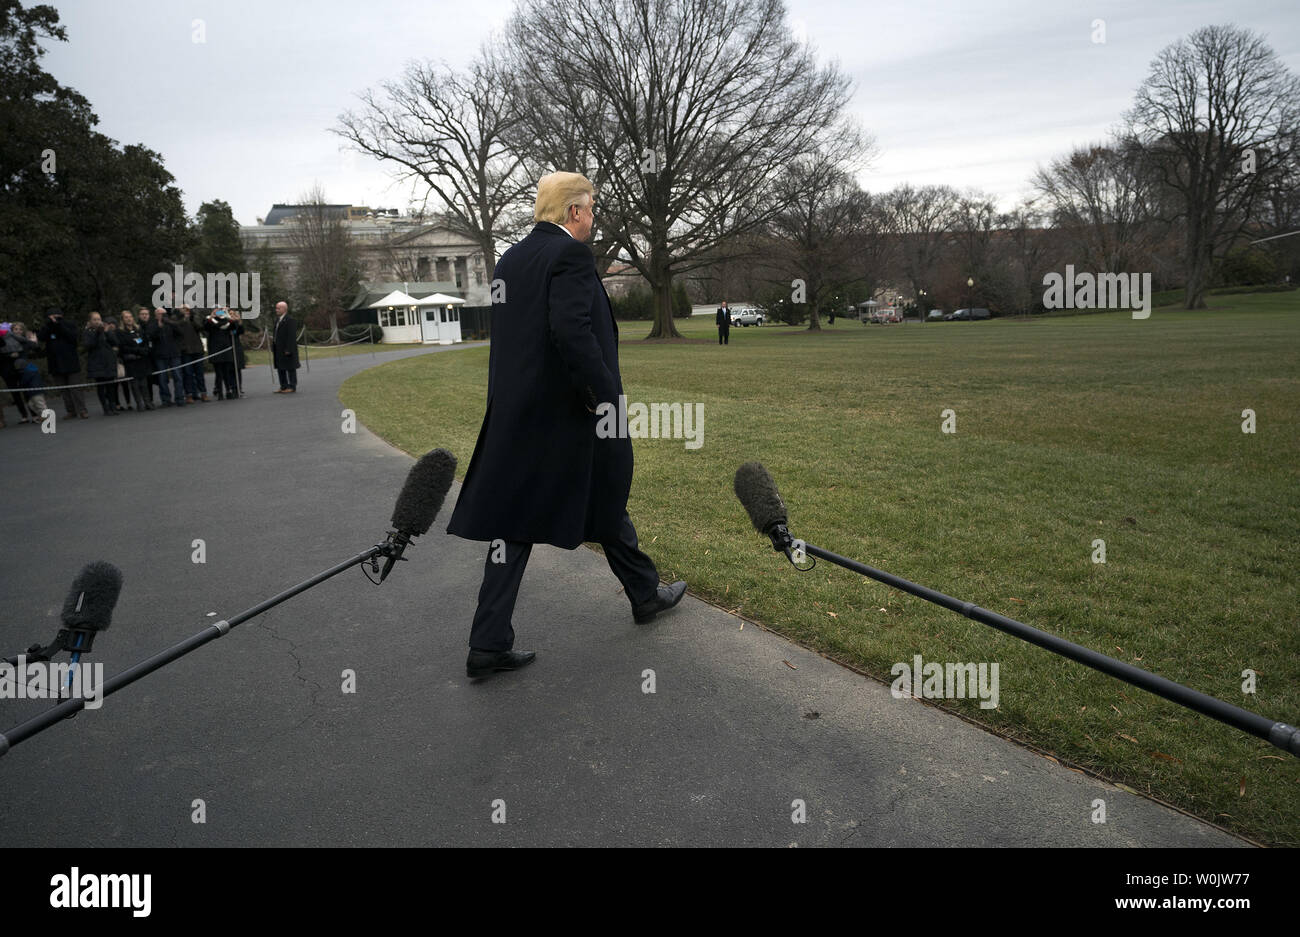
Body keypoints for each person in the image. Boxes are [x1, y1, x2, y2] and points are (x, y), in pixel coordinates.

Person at [447, 171, 687, 680]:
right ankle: (642, 594)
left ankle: (492, 640)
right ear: (574, 212)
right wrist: (607, 401)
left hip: (518, 416)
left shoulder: (510, 260)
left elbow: (516, 342)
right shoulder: (571, 256)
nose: (594, 217)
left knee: (520, 522)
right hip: (570, 417)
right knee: (600, 495)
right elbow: (572, 333)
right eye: (591, 207)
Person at [37, 307, 88, 419]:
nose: (54, 319)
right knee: (63, 390)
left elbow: (73, 337)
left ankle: (82, 410)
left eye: (56, 316)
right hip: (55, 364)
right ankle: (71, 411)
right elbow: (41, 337)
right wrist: (49, 325)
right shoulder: (47, 327)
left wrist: (58, 325)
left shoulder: (69, 324)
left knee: (76, 388)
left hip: (71, 362)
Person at [1, 322, 45, 425]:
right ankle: (24, 415)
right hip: (8, 371)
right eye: (15, 329)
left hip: (23, 371)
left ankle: (34, 415)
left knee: (28, 393)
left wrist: (34, 342)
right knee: (15, 394)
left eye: (20, 329)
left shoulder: (24, 341)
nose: (18, 331)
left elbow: (37, 349)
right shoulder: (5, 341)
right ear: (11, 331)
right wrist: (10, 356)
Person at [83, 311, 121, 416]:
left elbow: (115, 342)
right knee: (101, 386)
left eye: (99, 319)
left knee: (111, 386)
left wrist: (108, 332)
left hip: (108, 362)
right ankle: (105, 407)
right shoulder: (88, 332)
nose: (97, 321)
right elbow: (89, 346)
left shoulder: (106, 331)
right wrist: (97, 333)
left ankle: (113, 406)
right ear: (90, 321)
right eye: (94, 319)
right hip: (97, 363)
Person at [146, 307, 185, 407]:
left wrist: (170, 323)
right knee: (162, 378)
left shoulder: (171, 322)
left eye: (164, 314)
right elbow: (149, 337)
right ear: (156, 315)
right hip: (160, 355)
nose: (162, 316)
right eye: (160, 314)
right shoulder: (152, 324)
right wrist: (158, 327)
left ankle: (180, 398)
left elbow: (181, 333)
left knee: (178, 377)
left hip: (174, 353)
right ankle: (166, 399)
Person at [118, 309, 153, 411]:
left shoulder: (138, 330)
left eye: (130, 317)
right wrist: (137, 349)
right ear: (122, 320)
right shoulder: (120, 332)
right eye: (126, 317)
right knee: (135, 383)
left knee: (144, 382)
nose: (129, 319)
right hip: (131, 361)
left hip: (141, 360)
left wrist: (142, 350)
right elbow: (124, 347)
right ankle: (139, 403)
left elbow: (143, 342)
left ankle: (148, 402)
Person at [203, 306, 239, 399]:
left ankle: (228, 391)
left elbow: (234, 327)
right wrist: (212, 316)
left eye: (220, 310)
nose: (219, 311)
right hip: (215, 350)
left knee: (226, 372)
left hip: (225, 349)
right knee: (218, 373)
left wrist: (229, 315)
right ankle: (220, 392)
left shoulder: (226, 320)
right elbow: (206, 327)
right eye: (217, 310)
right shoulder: (209, 320)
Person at [176, 305, 210, 403]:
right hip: (186, 351)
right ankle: (189, 395)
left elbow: (200, 328)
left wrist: (192, 317)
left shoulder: (193, 320)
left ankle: (203, 393)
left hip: (197, 350)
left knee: (199, 374)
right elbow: (177, 330)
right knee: (188, 374)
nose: (186, 311)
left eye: (187, 310)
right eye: (183, 309)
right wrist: (183, 318)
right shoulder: (177, 321)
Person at [271, 301, 299, 393]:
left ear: (284, 309)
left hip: (286, 349)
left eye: (278, 308)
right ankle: (283, 386)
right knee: (280, 367)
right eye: (276, 308)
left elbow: (291, 336)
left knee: (290, 367)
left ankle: (292, 386)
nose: (276, 310)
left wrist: (288, 349)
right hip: (278, 348)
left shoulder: (290, 320)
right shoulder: (277, 320)